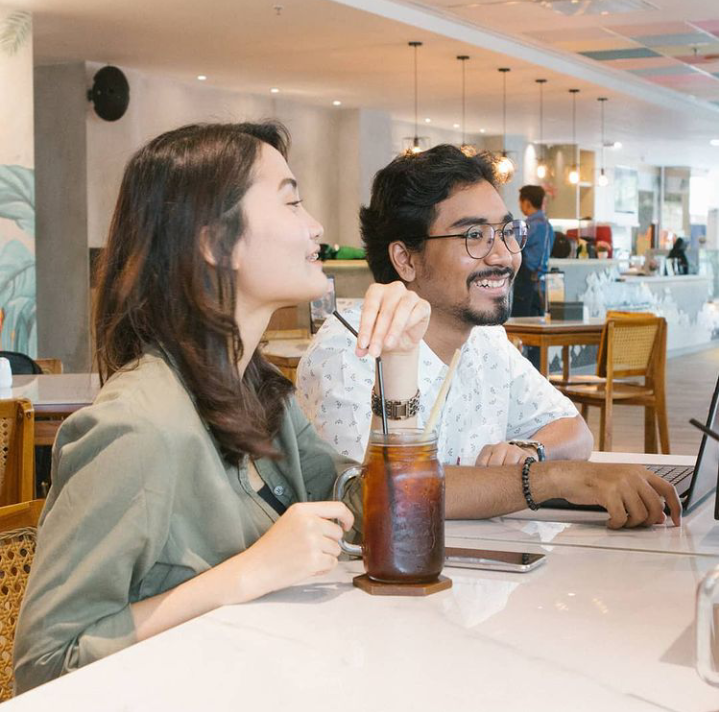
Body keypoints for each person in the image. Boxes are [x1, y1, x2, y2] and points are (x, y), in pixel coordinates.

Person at [13, 122, 431, 691]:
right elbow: (44, 665)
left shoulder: (261, 394)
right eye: (292, 202)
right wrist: (248, 573)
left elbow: (383, 523)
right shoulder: (136, 427)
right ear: (214, 242)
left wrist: (399, 359)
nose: (317, 227)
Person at [297, 145, 681, 528]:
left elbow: (573, 430)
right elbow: (374, 493)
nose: (503, 255)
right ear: (406, 259)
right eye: (475, 235)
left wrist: (529, 450)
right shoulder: (353, 347)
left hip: (486, 569)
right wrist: (551, 478)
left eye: (507, 232)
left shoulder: (485, 340)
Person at [512, 184, 554, 318]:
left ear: (527, 202)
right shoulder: (548, 226)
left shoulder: (528, 227)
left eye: (520, 202)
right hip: (541, 286)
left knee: (521, 325)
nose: (520, 206)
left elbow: (510, 247)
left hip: (525, 284)